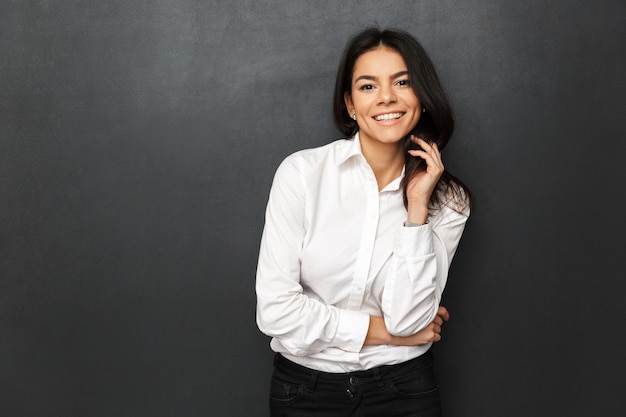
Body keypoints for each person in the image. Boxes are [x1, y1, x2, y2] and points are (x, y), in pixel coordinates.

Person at [256, 26, 471, 417]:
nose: (387, 97)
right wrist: (387, 334)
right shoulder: (302, 174)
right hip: (305, 392)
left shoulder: (449, 202)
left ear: (422, 95)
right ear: (350, 105)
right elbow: (276, 312)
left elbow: (410, 320)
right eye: (368, 86)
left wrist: (417, 208)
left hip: (404, 391)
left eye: (402, 82)